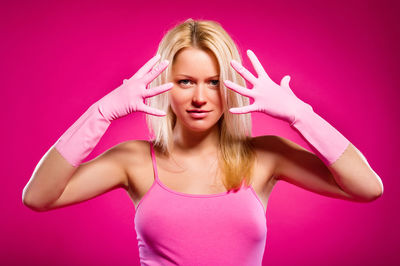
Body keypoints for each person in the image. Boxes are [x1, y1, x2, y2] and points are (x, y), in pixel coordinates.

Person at [22, 18, 384, 265]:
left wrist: (301, 114)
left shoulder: (266, 156)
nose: (200, 98)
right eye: (185, 82)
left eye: (213, 82)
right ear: (165, 85)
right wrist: (101, 112)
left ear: (230, 85)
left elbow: (368, 188)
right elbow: (38, 197)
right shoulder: (132, 160)